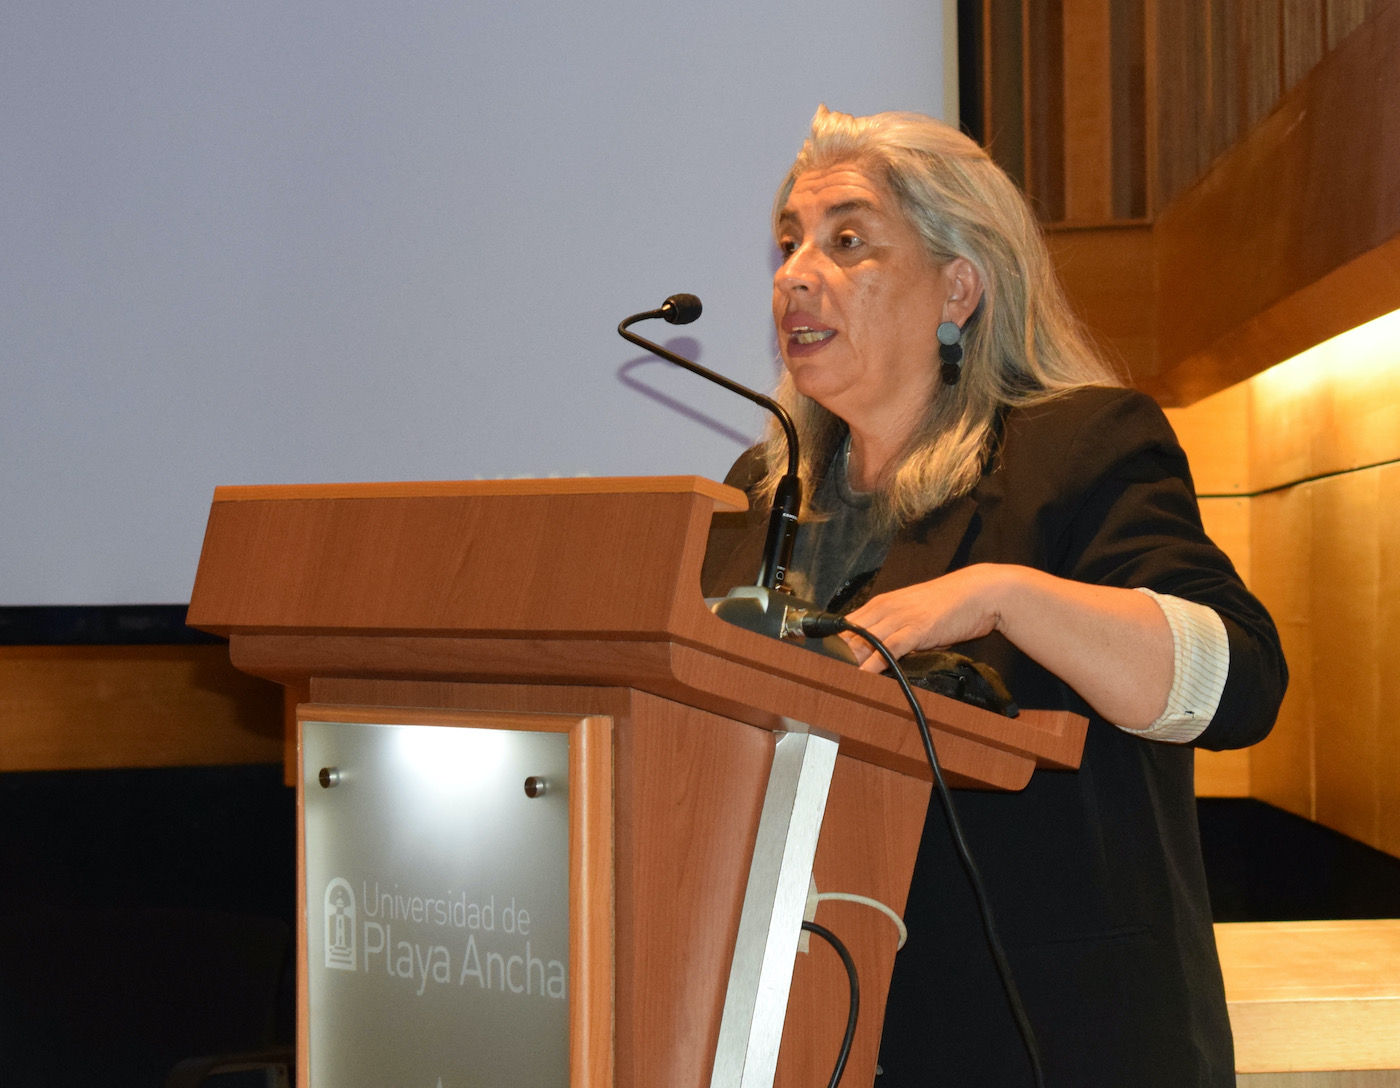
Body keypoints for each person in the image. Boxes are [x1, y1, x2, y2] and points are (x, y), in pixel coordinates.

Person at [701, 106, 1287, 1087]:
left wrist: (1001, 595)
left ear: (958, 286)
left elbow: (1240, 681)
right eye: (789, 240)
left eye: (848, 241)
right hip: (813, 1027)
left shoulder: (1078, 449)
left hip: (1046, 1037)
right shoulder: (762, 493)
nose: (794, 274)